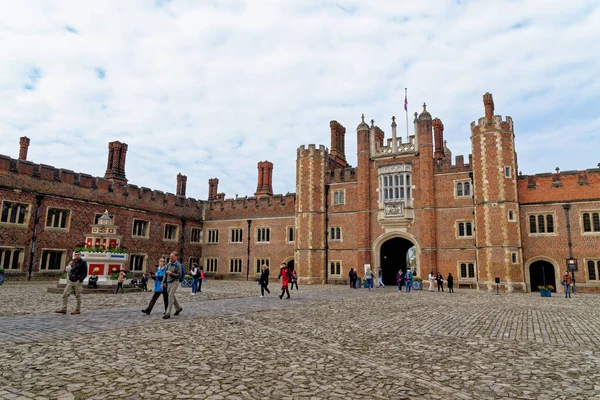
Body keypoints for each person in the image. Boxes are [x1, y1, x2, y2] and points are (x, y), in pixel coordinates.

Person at [162, 252, 183, 319]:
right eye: (170, 257)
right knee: (172, 296)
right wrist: (162, 283)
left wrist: (171, 273)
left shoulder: (178, 265)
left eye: (172, 257)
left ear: (175, 257)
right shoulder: (168, 264)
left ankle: (168, 313)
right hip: (168, 282)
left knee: (170, 296)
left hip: (175, 282)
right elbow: (165, 274)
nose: (170, 259)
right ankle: (178, 308)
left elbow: (179, 275)